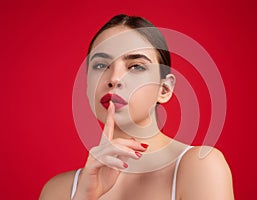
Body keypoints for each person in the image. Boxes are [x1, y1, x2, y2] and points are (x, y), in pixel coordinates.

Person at [40, 14, 234, 200]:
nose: (114, 78)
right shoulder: (59, 190)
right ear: (87, 85)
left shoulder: (200, 167)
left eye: (136, 66)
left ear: (164, 89)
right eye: (100, 65)